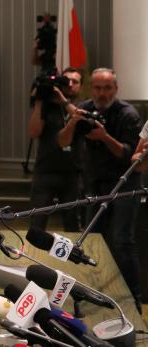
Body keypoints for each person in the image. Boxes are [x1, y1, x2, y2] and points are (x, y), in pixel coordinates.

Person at [59, 68, 143, 312]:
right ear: (91, 89)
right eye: (97, 88)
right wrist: (73, 122)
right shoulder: (83, 110)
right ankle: (93, 297)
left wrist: (105, 137)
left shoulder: (128, 114)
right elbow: (62, 142)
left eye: (107, 88)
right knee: (93, 241)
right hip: (94, 184)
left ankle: (133, 299)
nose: (102, 93)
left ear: (116, 89)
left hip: (125, 185)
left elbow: (131, 157)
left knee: (121, 241)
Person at [27, 67, 83, 233]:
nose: (70, 84)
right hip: (45, 171)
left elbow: (81, 118)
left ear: (81, 86)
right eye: (66, 81)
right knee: (37, 223)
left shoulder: (83, 106)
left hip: (73, 173)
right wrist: (39, 102)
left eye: (75, 82)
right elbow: (34, 132)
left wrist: (64, 102)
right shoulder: (47, 107)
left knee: (72, 225)